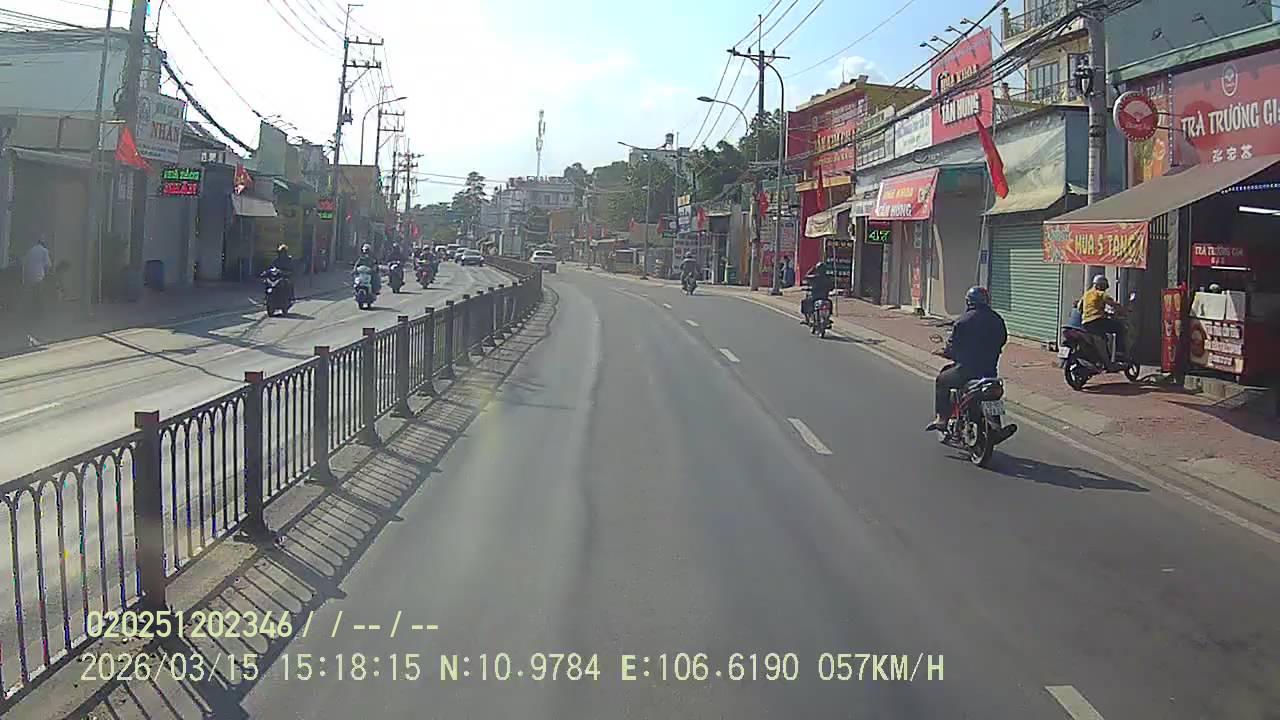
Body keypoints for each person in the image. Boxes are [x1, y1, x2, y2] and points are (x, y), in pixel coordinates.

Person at [927, 286, 1008, 431]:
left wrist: (946, 352)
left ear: (969, 302)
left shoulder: (963, 321)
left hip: (966, 372)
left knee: (942, 380)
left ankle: (942, 418)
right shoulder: (997, 319)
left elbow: (953, 346)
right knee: (993, 394)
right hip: (990, 371)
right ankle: (997, 425)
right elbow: (1002, 340)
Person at [1078, 274, 1126, 359]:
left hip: (1086, 323)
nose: (1105, 289)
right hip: (1097, 322)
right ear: (1099, 285)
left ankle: (1103, 357)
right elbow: (1114, 304)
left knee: (1103, 337)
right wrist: (1123, 311)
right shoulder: (1101, 294)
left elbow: (1079, 307)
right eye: (1104, 286)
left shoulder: (1086, 294)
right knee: (1120, 328)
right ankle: (1119, 353)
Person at [22, 238, 52, 319]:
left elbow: (25, 262)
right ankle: (39, 313)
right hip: (39, 277)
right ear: (44, 244)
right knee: (39, 295)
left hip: (29, 276)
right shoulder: (44, 251)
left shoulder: (31, 250)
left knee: (32, 295)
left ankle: (30, 312)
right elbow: (48, 265)